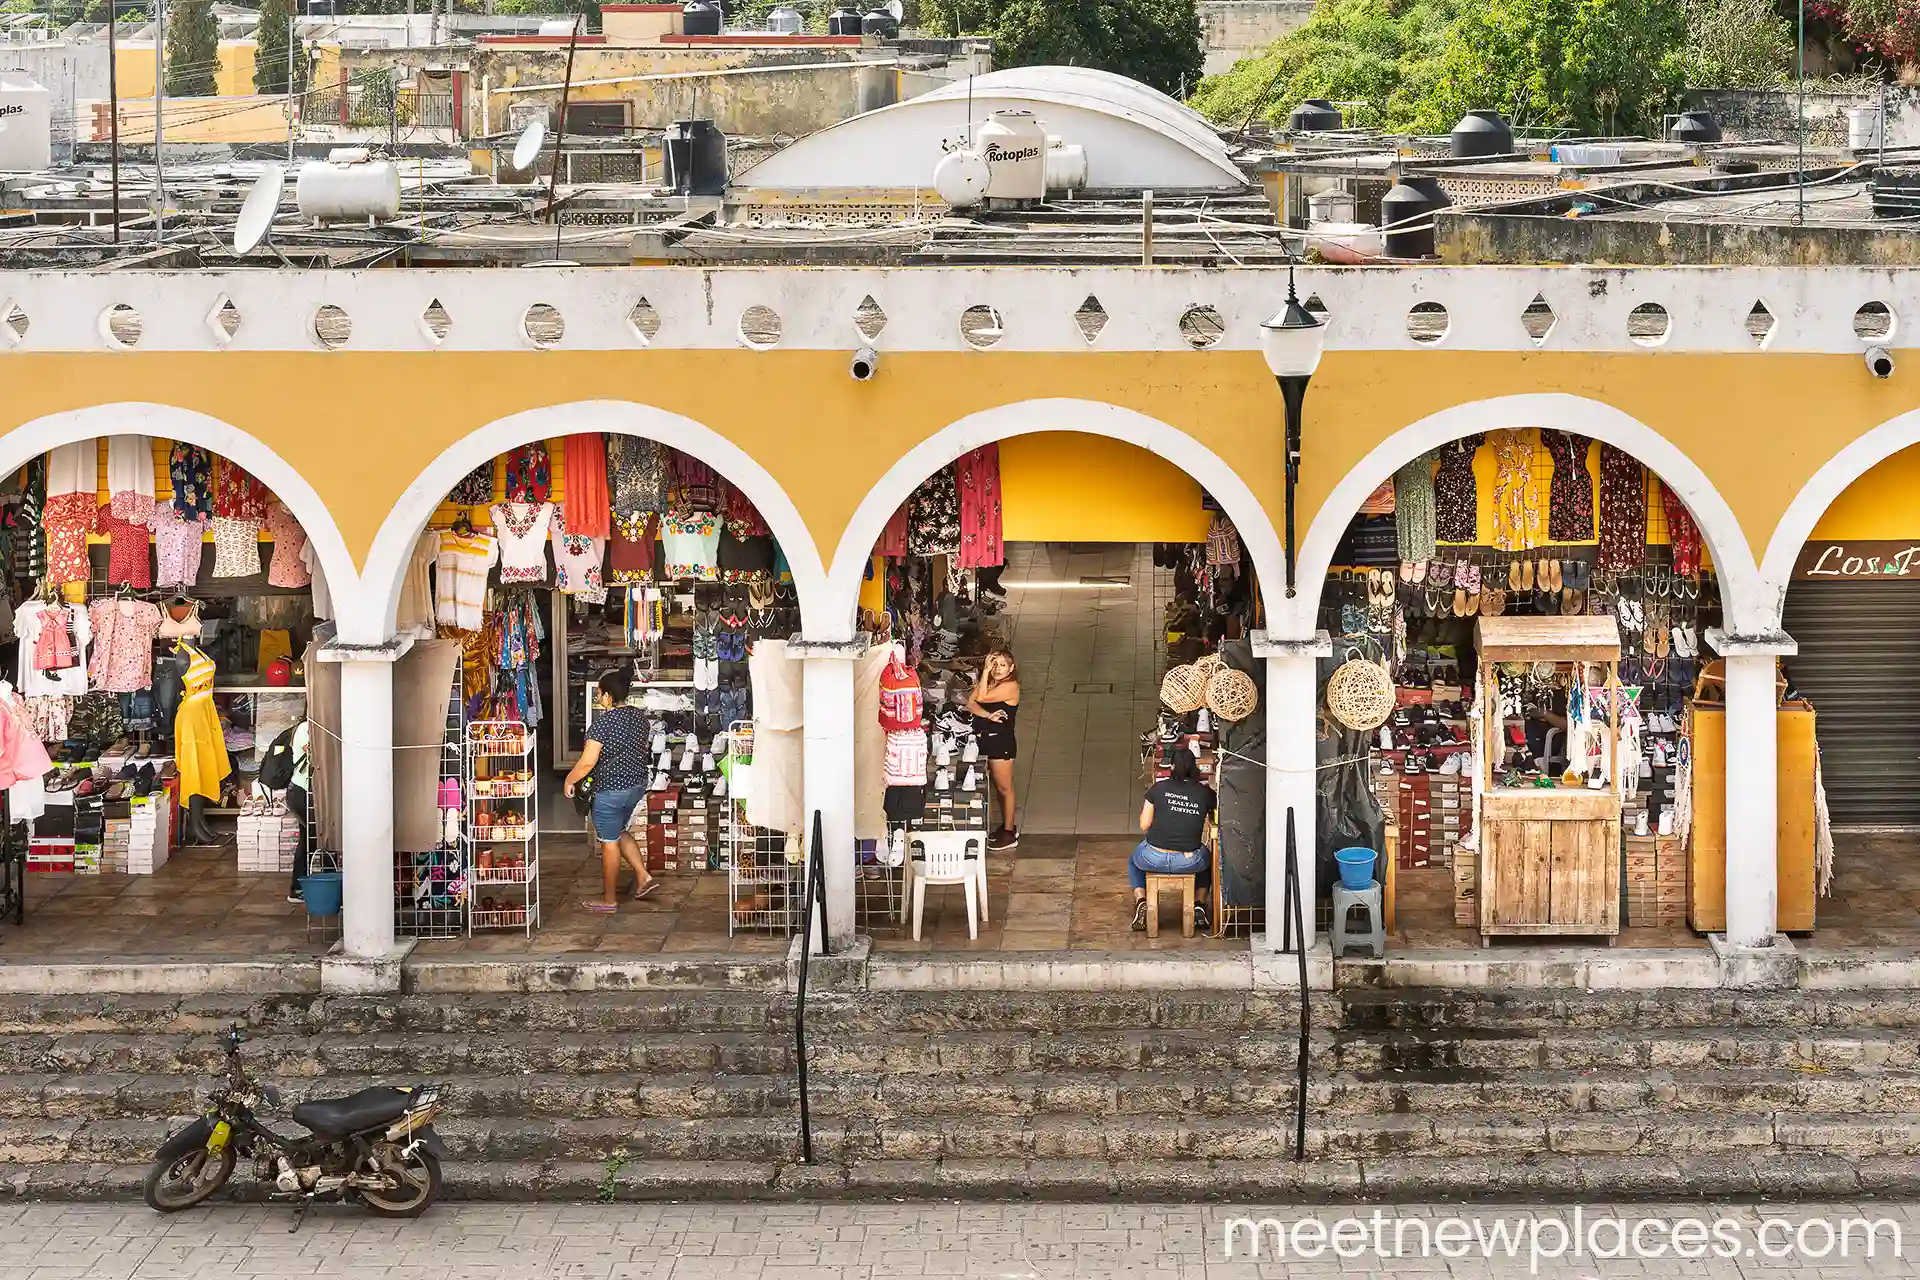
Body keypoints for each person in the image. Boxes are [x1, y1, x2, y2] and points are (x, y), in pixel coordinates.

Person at [563, 668, 658, 913]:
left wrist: (569, 780)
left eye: (599, 694)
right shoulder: (639, 717)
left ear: (607, 696)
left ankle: (609, 899)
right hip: (636, 786)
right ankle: (643, 876)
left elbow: (587, 763)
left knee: (609, 842)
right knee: (619, 830)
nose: (598, 698)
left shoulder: (602, 724)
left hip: (610, 791)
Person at [1129, 750, 1215, 932]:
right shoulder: (1205, 793)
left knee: (1134, 860)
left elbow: (1144, 825)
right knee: (1208, 859)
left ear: (1172, 767)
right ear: (1194, 768)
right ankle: (1199, 903)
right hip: (1189, 860)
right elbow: (1215, 817)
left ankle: (1142, 901)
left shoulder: (1158, 789)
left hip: (1153, 857)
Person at [969, 648, 1020, 851]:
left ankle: (1009, 832)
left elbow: (980, 697)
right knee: (997, 789)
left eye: (1002, 665)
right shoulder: (992, 683)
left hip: (1001, 743)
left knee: (1005, 788)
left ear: (1011, 668)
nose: (998, 669)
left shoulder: (1010, 687)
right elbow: (970, 703)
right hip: (986, 741)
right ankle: (1005, 827)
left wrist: (984, 672)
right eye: (995, 664)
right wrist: (988, 716)